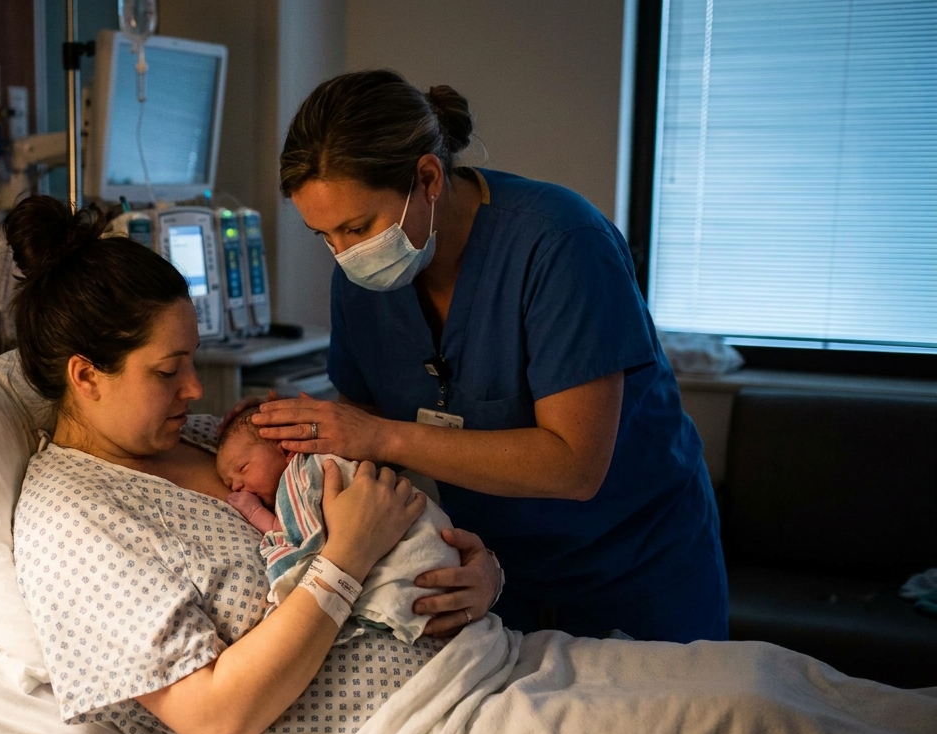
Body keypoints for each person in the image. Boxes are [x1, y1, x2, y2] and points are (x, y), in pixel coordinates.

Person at [5, 196, 499, 734]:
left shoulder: (210, 436)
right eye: (169, 370)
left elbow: (365, 495)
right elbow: (218, 720)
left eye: (192, 361)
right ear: (86, 375)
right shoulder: (73, 526)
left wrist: (471, 574)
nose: (193, 388)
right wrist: (346, 558)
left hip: (477, 667)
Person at [250, 69, 727, 642]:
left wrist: (382, 435)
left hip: (631, 562)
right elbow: (364, 442)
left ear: (428, 177)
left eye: (356, 227)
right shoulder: (362, 282)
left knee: (662, 726)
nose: (344, 254)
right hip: (484, 564)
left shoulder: (559, 244)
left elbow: (574, 464)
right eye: (323, 236)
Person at [216, 406, 462, 644]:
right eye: (230, 483)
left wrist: (255, 511)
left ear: (286, 449)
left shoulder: (302, 475)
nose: (237, 485)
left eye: (243, 468)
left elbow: (304, 539)